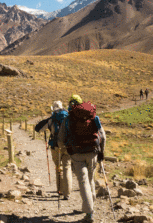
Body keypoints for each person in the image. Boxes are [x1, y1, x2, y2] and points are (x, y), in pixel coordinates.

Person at [58, 95, 106, 223]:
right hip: (93, 152)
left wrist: (65, 149)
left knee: (83, 181)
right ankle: (91, 204)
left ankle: (89, 213)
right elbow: (103, 136)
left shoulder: (68, 119)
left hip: (76, 153)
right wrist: (101, 153)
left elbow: (61, 139)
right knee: (90, 178)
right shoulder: (93, 116)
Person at [34, 101, 72, 200]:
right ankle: (67, 193)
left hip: (55, 146)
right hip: (68, 146)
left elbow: (37, 128)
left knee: (58, 167)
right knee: (67, 167)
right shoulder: (69, 116)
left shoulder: (52, 119)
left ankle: (59, 190)